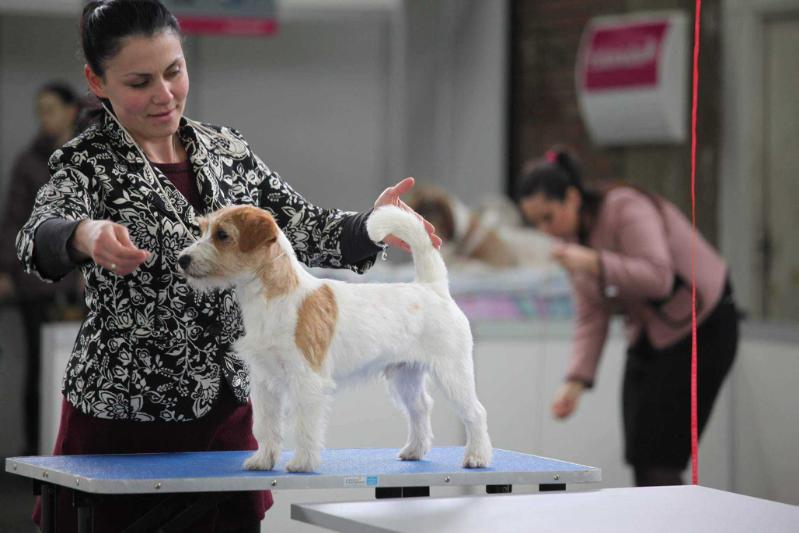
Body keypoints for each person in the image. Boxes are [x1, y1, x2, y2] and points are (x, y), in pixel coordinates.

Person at [15, 1, 440, 531]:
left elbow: (303, 227)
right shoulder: (86, 162)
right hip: (124, 424)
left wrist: (374, 225)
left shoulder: (228, 151)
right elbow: (35, 239)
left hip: (231, 421)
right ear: (96, 82)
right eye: (139, 81)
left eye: (174, 71)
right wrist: (83, 234)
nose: (164, 94)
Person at [516, 146, 738, 487]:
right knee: (640, 452)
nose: (546, 230)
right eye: (536, 223)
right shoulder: (574, 242)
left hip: (703, 326)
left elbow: (658, 276)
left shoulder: (624, 207)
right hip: (652, 334)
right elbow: (591, 315)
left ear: (572, 198)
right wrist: (574, 382)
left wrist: (594, 262)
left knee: (659, 459)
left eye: (549, 216)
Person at [0, 81, 84, 456]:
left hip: (83, 281)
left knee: (83, 367)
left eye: (51, 109)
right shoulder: (29, 161)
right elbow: (14, 220)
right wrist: (8, 269)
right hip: (37, 281)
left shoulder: (90, 152)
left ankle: (77, 446)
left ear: (70, 110)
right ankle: (36, 450)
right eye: (40, 111)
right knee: (39, 368)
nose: (45, 118)